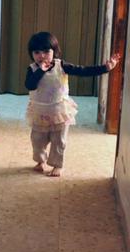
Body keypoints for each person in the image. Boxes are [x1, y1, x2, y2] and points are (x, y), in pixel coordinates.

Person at [24, 31, 120, 177]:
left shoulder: (61, 65)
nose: (41, 56)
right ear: (31, 54)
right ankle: (40, 161)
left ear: (54, 52)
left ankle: (57, 166)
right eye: (37, 52)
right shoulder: (32, 69)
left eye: (46, 51)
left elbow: (83, 71)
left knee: (59, 140)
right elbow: (30, 85)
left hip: (60, 111)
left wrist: (105, 68)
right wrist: (40, 71)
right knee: (37, 140)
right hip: (40, 112)